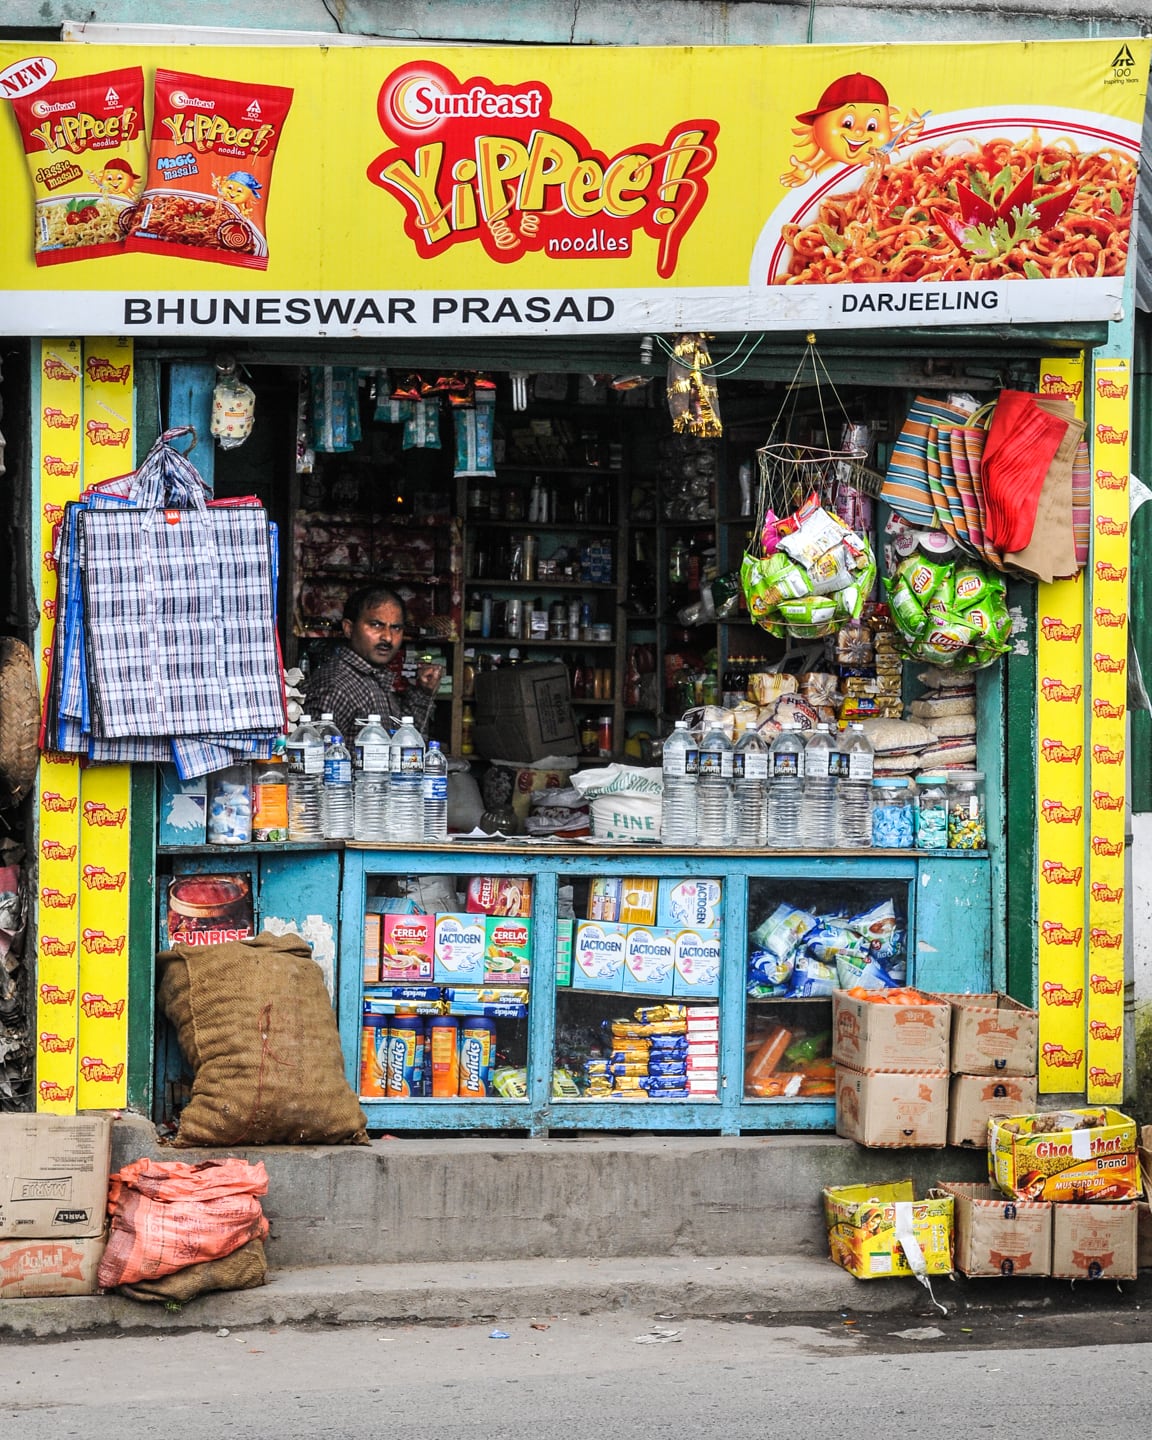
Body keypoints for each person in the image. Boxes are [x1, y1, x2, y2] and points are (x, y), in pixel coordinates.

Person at [303, 586, 442, 743]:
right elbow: (313, 758)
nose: (388, 638)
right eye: (376, 625)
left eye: (396, 628)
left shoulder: (374, 678)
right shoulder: (335, 686)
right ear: (348, 628)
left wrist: (423, 692)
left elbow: (403, 740)